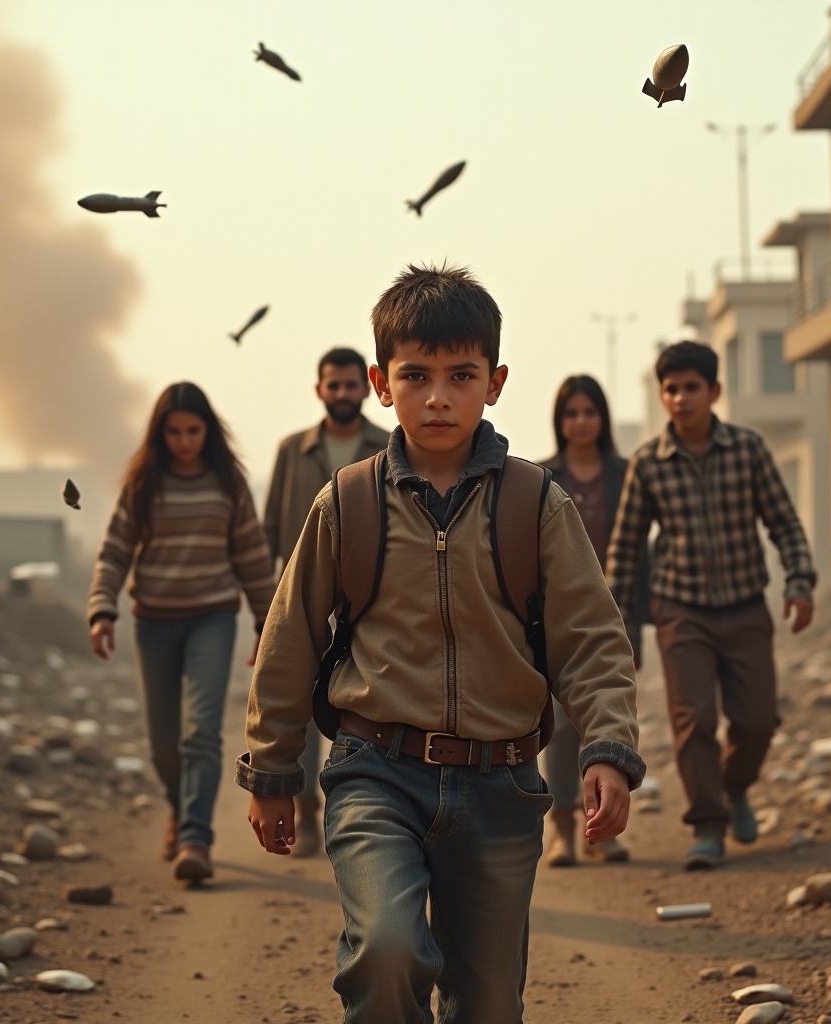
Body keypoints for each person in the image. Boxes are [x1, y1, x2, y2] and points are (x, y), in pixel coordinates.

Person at [238, 264, 646, 1023]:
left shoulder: (535, 503)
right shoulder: (347, 501)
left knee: (489, 1004)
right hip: (375, 773)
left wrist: (609, 751)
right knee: (387, 951)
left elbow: (592, 639)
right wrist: (272, 767)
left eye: (460, 375)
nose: (437, 396)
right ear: (380, 384)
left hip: (502, 784)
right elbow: (289, 638)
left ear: (493, 382)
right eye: (416, 375)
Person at [606, 341, 816, 871]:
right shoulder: (649, 463)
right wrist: (624, 628)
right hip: (682, 612)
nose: (680, 398)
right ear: (662, 396)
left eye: (691, 387)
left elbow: (784, 522)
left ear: (714, 391)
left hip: (746, 607)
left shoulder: (748, 449)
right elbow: (625, 548)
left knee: (757, 721)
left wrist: (800, 582)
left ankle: (733, 787)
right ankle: (707, 825)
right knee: (693, 720)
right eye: (671, 389)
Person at [87, 381, 277, 883]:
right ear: (160, 433)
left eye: (193, 431)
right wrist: (101, 609)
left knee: (201, 732)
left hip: (211, 620)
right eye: (174, 432)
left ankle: (195, 836)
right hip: (152, 622)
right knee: (162, 742)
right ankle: (179, 806)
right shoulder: (143, 485)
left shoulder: (228, 486)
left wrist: (267, 624)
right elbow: (114, 552)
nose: (184, 441)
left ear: (208, 431)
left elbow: (254, 561)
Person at [262, 347, 390, 856]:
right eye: (332, 385)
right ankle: (307, 815)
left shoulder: (388, 447)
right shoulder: (293, 450)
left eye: (350, 385)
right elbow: (271, 529)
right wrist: (269, 613)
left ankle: (362, 809)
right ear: (319, 390)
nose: (341, 394)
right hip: (308, 595)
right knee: (301, 697)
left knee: (359, 701)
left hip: (368, 597)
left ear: (367, 388)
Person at [539, 373, 648, 868]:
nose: (580, 422)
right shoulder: (540, 478)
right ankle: (563, 829)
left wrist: (638, 628)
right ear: (560, 421)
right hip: (553, 619)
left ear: (602, 419)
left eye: (589, 412)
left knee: (608, 720)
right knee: (561, 728)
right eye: (571, 413)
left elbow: (643, 556)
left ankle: (601, 830)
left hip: (613, 620)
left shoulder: (627, 474)